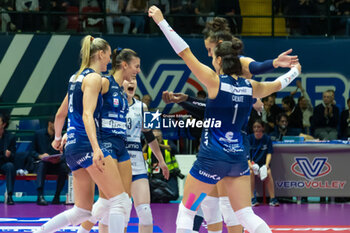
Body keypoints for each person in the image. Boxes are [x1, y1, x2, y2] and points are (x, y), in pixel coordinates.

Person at [148, 5, 301, 233]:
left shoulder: (214, 81)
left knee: (187, 211)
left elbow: (184, 52)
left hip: (212, 156)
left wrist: (161, 21)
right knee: (245, 214)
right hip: (237, 157)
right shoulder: (251, 87)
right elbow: (278, 84)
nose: (210, 58)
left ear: (219, 60)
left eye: (212, 55)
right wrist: (295, 71)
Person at [35, 35, 129, 233]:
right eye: (109, 56)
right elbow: (87, 114)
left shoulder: (75, 77)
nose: (110, 60)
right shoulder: (94, 78)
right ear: (100, 54)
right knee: (120, 201)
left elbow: (60, 114)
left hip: (72, 150)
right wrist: (96, 148)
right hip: (87, 145)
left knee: (82, 211)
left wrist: (58, 138)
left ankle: (39, 231)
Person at [78, 51, 169, 233]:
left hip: (136, 162)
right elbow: (90, 114)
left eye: (134, 82)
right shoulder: (111, 100)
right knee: (113, 209)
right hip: (115, 159)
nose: (132, 83)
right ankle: (85, 229)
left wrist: (161, 160)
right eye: (129, 81)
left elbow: (150, 136)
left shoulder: (143, 107)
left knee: (145, 212)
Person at [31, 117, 69, 205]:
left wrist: (59, 159)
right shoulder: (38, 134)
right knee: (42, 164)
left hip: (56, 164)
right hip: (42, 164)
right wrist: (40, 156)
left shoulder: (62, 137)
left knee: (63, 168)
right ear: (50, 123)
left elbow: (65, 154)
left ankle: (57, 196)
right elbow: (31, 152)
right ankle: (40, 196)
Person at [248, 119, 279, 207]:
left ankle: (272, 199)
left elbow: (269, 153)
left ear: (262, 128)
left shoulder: (267, 139)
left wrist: (266, 165)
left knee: (268, 172)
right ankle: (252, 199)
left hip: (263, 164)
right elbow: (246, 155)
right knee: (250, 173)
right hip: (253, 164)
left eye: (259, 127)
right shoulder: (249, 138)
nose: (257, 129)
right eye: (255, 127)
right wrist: (250, 165)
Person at [147, 129, 179, 200]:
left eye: (157, 137)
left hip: (169, 175)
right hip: (155, 177)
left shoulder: (167, 142)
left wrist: (157, 145)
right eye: (153, 137)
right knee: (148, 197)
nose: (155, 139)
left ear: (161, 136)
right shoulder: (149, 145)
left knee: (174, 195)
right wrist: (149, 144)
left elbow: (174, 149)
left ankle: (160, 193)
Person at [0, 112, 16, 205]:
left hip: (4, 163)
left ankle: (9, 195)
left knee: (10, 166)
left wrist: (10, 154)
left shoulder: (10, 137)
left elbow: (14, 155)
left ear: (4, 124)